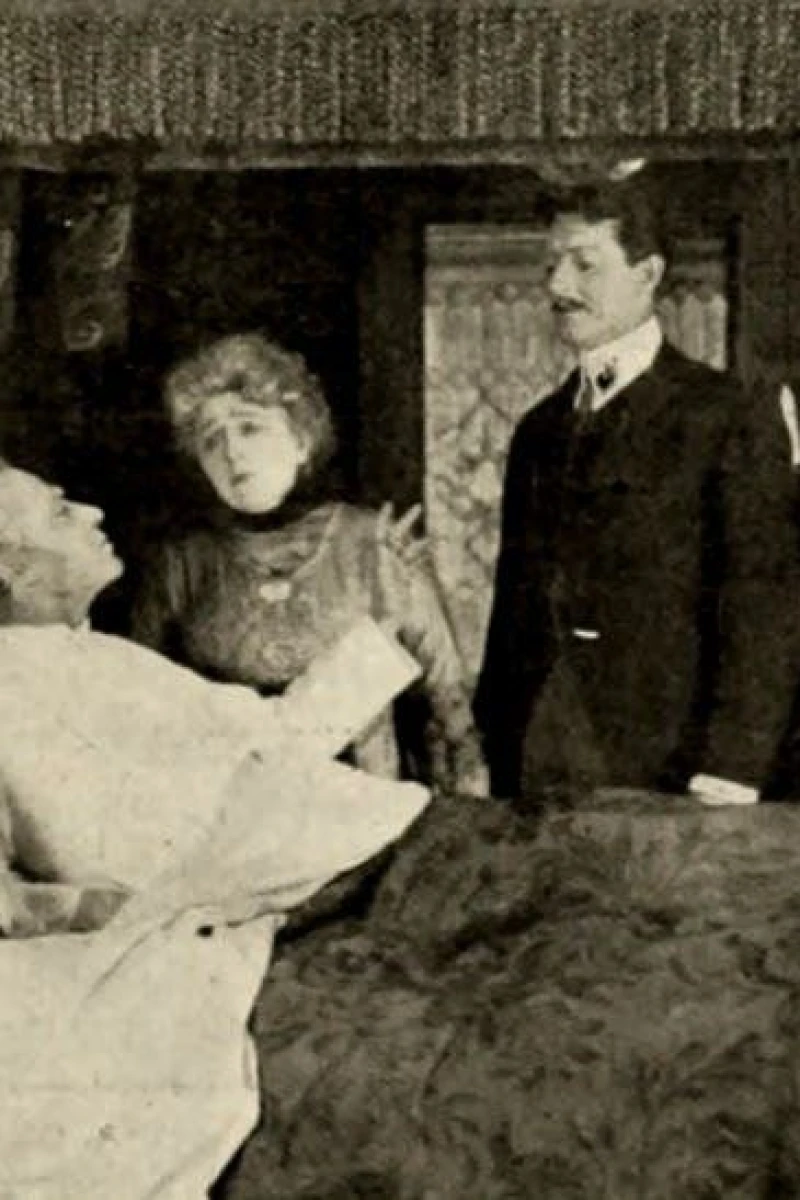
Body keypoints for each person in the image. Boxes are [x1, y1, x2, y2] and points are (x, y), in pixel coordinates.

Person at [474, 175, 800, 807]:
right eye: (551, 264)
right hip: (540, 770)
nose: (558, 285)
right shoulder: (538, 430)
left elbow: (765, 605)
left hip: (676, 775)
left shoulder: (730, 414)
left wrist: (731, 769)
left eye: (584, 264)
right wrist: (494, 747)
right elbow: (513, 611)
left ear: (648, 274)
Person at [0, 463, 430, 936]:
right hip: (307, 876)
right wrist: (81, 909)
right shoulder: (20, 686)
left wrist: (387, 621)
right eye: (60, 513)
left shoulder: (91, 653)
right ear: (11, 570)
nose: (93, 513)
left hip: (337, 850)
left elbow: (273, 736)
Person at [129, 332, 488, 796]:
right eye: (211, 440)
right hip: (234, 807)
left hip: (368, 805)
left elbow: (450, 707)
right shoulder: (181, 563)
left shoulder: (375, 541)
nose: (233, 452)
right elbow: (142, 710)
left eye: (250, 428)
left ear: (301, 440)